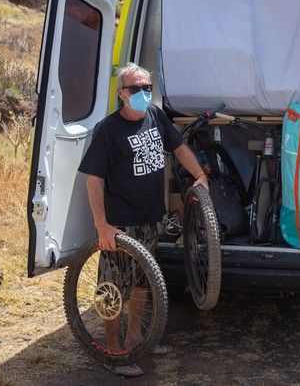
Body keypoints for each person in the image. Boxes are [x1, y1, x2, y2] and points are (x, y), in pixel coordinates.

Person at [78, 62, 208, 377]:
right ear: (122, 93)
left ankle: (136, 339)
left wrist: (201, 175)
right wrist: (101, 225)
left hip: (150, 219)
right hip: (119, 225)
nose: (143, 93)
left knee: (140, 284)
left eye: (147, 87)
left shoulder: (155, 116)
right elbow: (93, 178)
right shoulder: (109, 129)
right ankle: (113, 349)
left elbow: (178, 149)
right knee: (111, 287)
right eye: (135, 88)